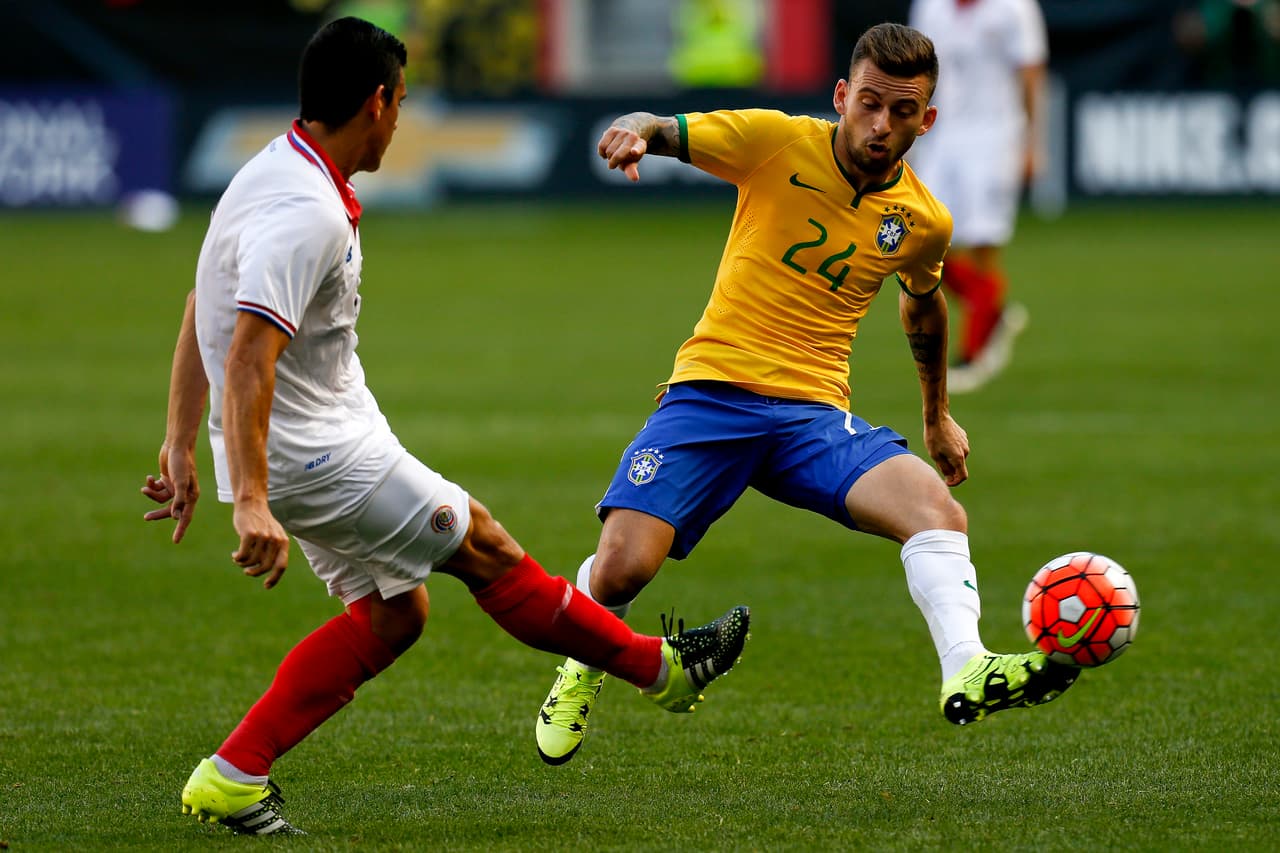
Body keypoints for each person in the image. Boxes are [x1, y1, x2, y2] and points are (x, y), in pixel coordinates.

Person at [140, 17, 749, 836]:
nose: (400, 118)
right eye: (400, 101)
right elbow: (247, 353)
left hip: (307, 437)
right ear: (377, 102)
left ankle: (234, 773)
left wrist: (181, 442)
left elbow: (200, 301)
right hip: (316, 456)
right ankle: (662, 670)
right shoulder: (307, 212)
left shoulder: (271, 168)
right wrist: (250, 498)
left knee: (397, 615)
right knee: (484, 546)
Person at [534, 21, 1077, 767]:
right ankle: (581, 668)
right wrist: (633, 130)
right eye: (870, 104)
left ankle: (967, 665)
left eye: (903, 111)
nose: (881, 125)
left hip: (812, 416)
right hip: (711, 393)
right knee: (623, 566)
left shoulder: (922, 220)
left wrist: (936, 416)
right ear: (842, 96)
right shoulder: (775, 141)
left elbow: (923, 306)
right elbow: (660, 126)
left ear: (927, 120)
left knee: (936, 511)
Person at [906, 0, 1048, 392]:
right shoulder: (931, 7)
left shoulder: (1014, 9)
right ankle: (990, 308)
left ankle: (974, 350)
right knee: (918, 239)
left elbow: (1031, 72)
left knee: (984, 241)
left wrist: (1033, 142)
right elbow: (917, 71)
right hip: (942, 134)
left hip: (995, 136)